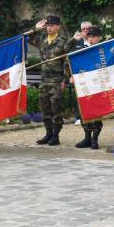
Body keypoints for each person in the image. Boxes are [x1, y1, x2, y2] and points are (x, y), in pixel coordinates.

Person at [33, 15, 70, 146]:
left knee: (56, 108)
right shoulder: (42, 40)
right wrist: (35, 29)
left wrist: (64, 80)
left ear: (58, 27)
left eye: (52, 25)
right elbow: (28, 39)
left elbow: (67, 63)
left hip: (56, 80)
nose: (49, 28)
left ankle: (56, 135)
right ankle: (48, 133)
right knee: (45, 108)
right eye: (48, 26)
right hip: (44, 80)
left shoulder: (63, 42)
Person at [73, 26, 103, 149]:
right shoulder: (82, 49)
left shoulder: (103, 50)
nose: (91, 39)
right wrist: (73, 40)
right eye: (89, 37)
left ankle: (95, 139)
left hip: (98, 86)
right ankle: (87, 138)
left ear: (99, 38)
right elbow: (68, 53)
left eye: (94, 37)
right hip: (84, 85)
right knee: (84, 112)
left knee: (97, 113)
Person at [73, 21, 92, 125]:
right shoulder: (76, 43)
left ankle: (93, 115)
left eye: (88, 29)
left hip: (93, 73)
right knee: (79, 96)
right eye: (83, 29)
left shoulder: (95, 41)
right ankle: (79, 117)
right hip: (80, 74)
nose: (86, 31)